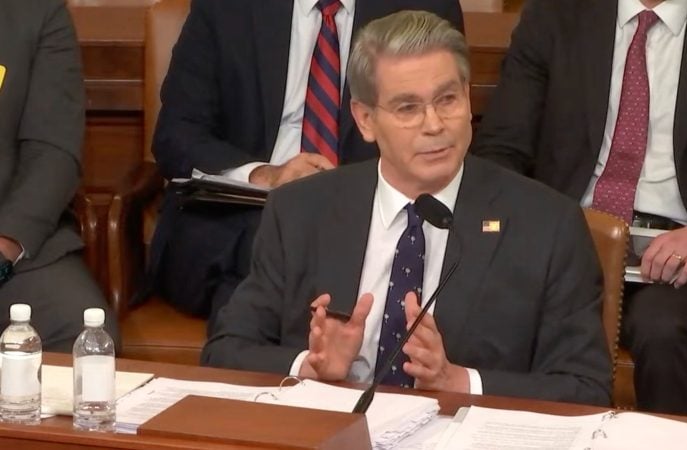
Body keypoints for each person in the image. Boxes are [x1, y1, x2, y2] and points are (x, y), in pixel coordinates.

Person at [202, 10, 611, 405]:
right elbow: (225, 350)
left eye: (447, 99)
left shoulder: (548, 226)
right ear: (365, 119)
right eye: (408, 108)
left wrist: (458, 381)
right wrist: (311, 366)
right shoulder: (300, 211)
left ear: (468, 98)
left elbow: (585, 387)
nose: (434, 125)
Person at [472, 0, 687, 415]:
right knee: (492, 308)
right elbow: (500, 149)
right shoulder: (553, 18)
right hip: (569, 238)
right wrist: (534, 234)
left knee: (664, 329)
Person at [147, 0, 464, 328]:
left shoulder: (425, 6)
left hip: (368, 217)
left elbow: (438, 133)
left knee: (285, 271)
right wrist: (265, 176)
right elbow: (176, 134)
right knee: (268, 247)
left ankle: (252, 349)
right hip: (245, 214)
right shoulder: (228, 7)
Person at [0, 0, 120, 352]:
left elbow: (53, 150)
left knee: (86, 340)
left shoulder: (36, 12)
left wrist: (6, 244)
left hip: (12, 245)